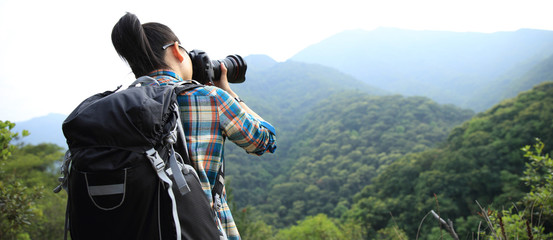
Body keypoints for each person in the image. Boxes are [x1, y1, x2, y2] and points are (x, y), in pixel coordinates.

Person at [111, 12, 277, 239]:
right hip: (203, 230)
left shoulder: (115, 107)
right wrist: (228, 92)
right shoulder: (211, 97)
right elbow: (265, 141)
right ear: (177, 51)